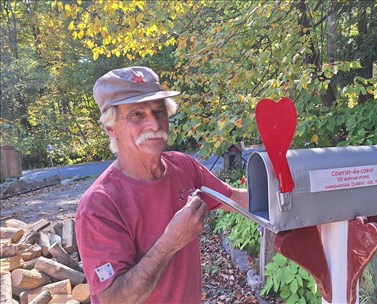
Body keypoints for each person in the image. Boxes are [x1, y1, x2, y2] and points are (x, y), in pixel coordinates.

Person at [75, 66, 249, 304]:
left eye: (159, 111)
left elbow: (235, 199)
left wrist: (295, 197)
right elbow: (113, 299)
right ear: (110, 128)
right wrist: (170, 242)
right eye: (136, 114)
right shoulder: (99, 204)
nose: (155, 125)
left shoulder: (183, 166)